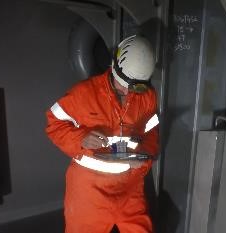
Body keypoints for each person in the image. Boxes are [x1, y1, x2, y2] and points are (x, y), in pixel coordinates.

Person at [45, 35, 159, 233]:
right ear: (114, 66)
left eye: (133, 86)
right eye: (121, 83)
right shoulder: (83, 93)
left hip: (129, 186)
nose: (125, 90)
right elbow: (54, 123)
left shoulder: (147, 98)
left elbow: (151, 132)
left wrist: (143, 162)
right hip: (89, 191)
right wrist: (80, 138)